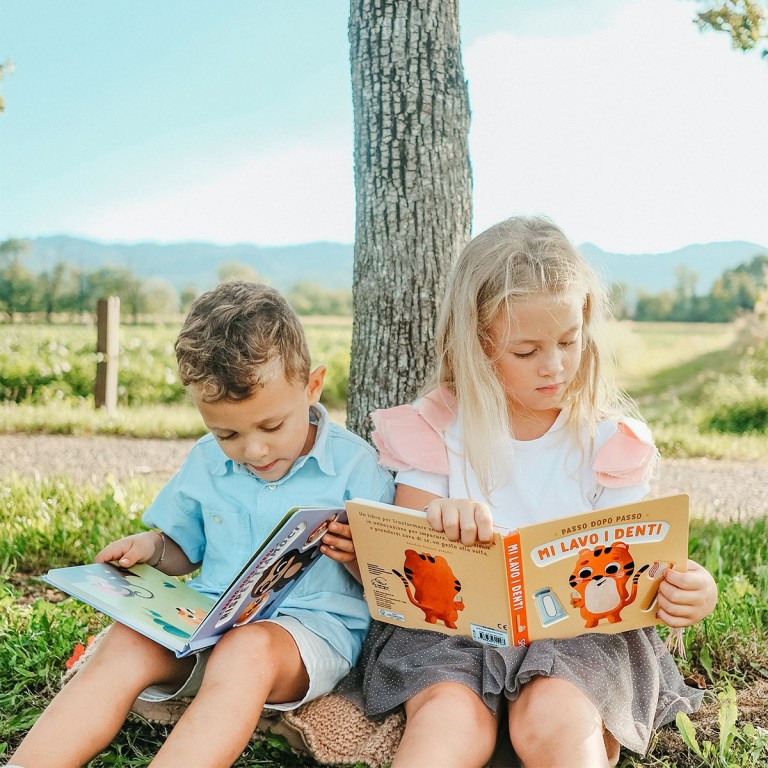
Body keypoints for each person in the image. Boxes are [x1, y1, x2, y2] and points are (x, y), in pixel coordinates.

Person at [348, 216, 718, 768]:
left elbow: (639, 561)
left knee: (559, 717)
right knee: (448, 721)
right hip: (452, 631)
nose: (555, 366)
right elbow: (406, 561)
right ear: (478, 345)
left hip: (580, 634)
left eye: (569, 341)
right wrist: (440, 519)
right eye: (526, 351)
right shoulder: (435, 429)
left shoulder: (607, 441)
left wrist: (690, 590)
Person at [10, 281, 395, 768]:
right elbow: (182, 549)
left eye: (272, 426)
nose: (253, 450)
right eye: (227, 433)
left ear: (312, 386)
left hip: (304, 638)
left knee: (245, 651)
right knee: (127, 640)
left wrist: (359, 558)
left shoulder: (358, 468)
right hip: (204, 619)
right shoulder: (206, 460)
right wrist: (151, 548)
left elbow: (392, 590)